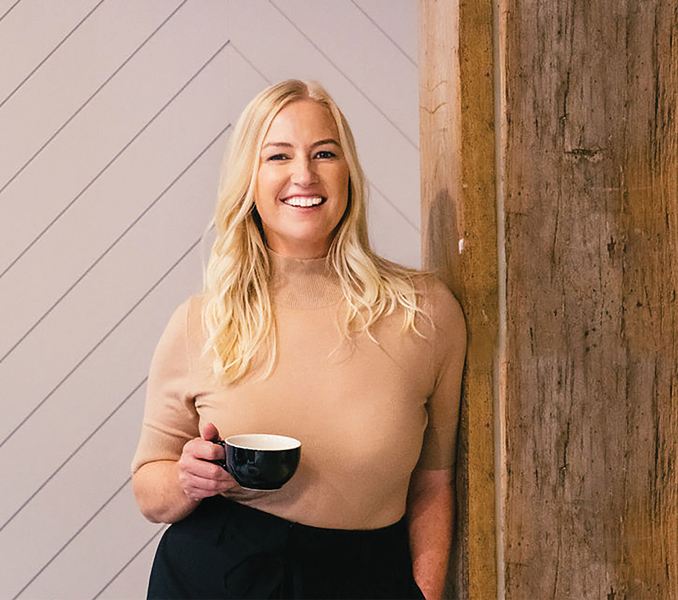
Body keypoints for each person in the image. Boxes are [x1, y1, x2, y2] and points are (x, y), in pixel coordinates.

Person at [131, 79, 466, 600]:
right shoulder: (202, 322)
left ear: (347, 172)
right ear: (251, 178)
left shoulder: (423, 314)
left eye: (324, 153)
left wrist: (423, 593)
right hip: (218, 575)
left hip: (367, 577)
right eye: (278, 155)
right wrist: (186, 480)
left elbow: (434, 480)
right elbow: (149, 487)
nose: (304, 174)